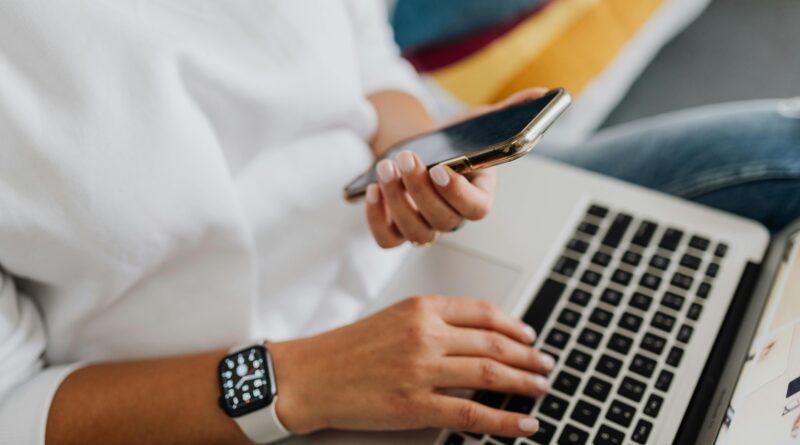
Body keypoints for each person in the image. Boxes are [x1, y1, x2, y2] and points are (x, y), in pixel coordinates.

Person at [0, 2, 797, 445]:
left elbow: (366, 52)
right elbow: (16, 413)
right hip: (258, 401)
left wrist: (419, 153)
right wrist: (303, 378)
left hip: (456, 240)